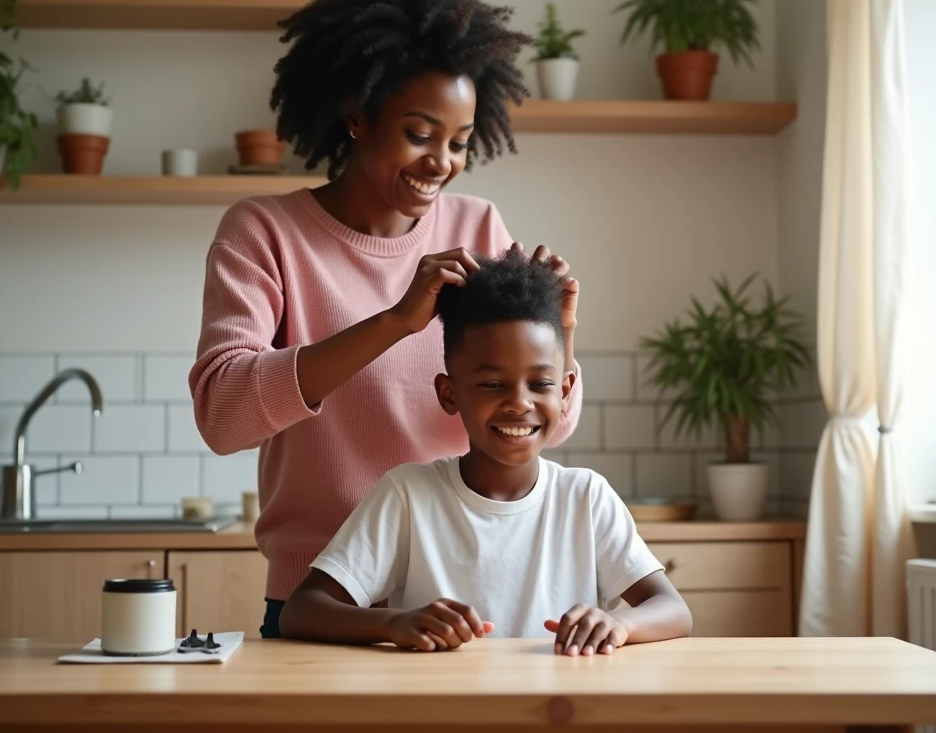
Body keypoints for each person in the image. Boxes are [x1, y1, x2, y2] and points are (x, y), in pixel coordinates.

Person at [188, 0, 584, 639]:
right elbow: (224, 417)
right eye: (419, 134)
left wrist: (564, 333)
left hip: (458, 596)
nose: (443, 163)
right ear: (356, 116)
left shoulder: (476, 227)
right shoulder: (265, 232)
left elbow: (542, 423)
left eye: (459, 142)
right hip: (322, 602)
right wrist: (396, 321)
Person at [280, 251, 691, 655]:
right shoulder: (408, 495)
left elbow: (674, 610)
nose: (519, 403)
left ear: (565, 392)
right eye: (493, 385)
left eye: (541, 384)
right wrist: (395, 623)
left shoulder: (586, 497)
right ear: (449, 393)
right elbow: (300, 611)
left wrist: (619, 623)